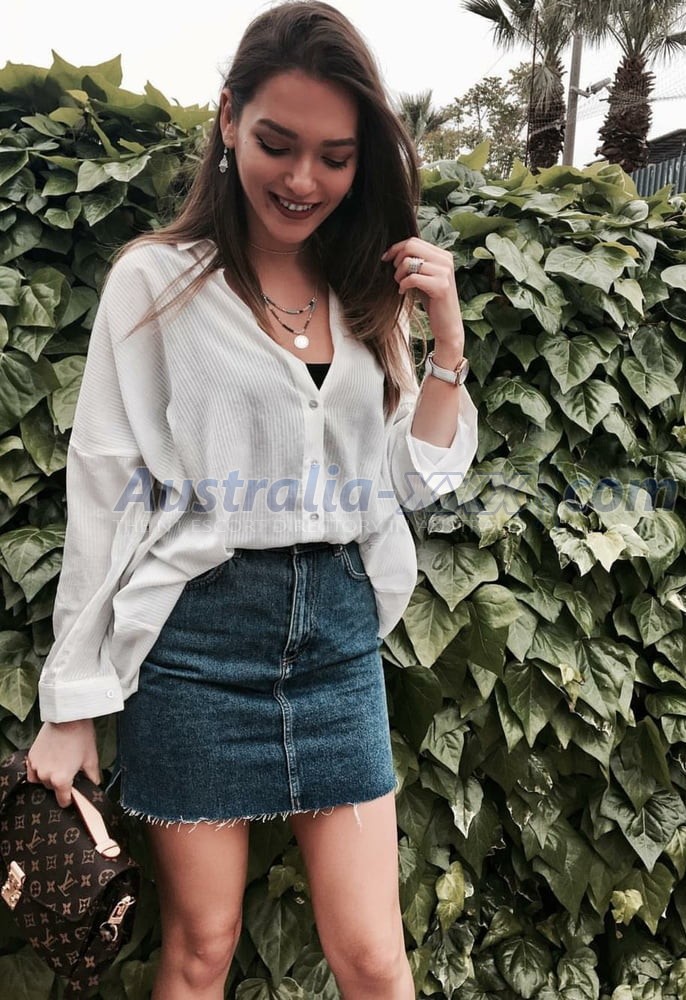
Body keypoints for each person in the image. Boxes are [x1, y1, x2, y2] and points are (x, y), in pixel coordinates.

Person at [26, 2, 478, 998]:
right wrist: (73, 701)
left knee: (373, 956)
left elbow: (411, 482)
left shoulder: (365, 289)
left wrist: (444, 343)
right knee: (202, 948)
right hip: (197, 640)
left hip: (338, 643)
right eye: (278, 143)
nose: (303, 179)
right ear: (228, 119)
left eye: (335, 156)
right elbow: (104, 491)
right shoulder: (154, 284)